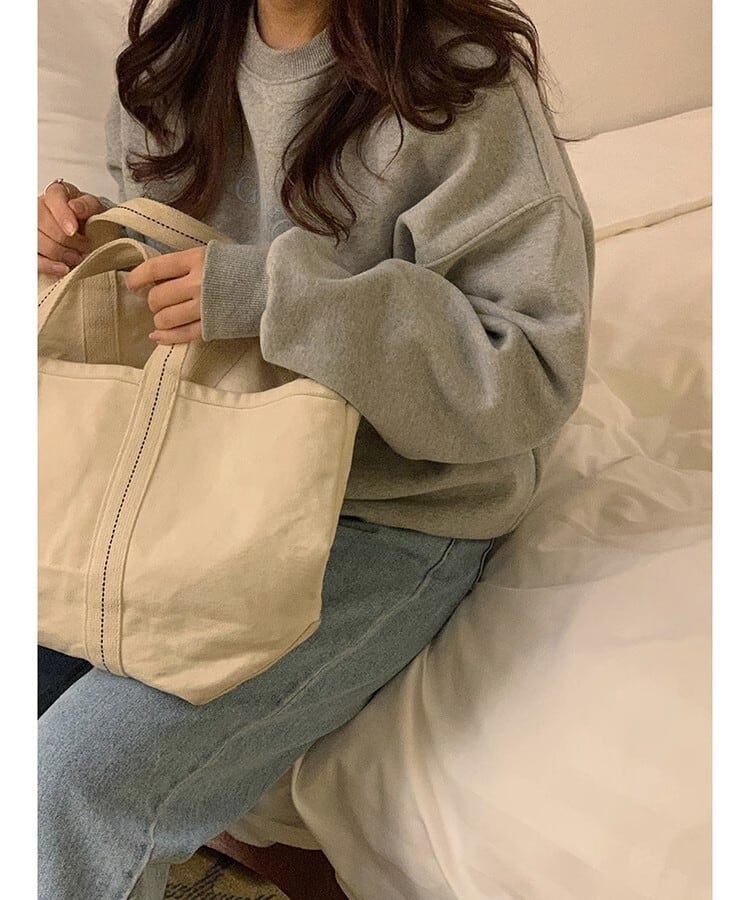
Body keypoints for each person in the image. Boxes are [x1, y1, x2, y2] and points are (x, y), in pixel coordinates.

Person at [37, 0, 595, 897]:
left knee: (67, 788)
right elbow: (183, 279)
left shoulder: (458, 79)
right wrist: (98, 238)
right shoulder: (178, 55)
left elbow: (526, 370)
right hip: (198, 465)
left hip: (393, 511)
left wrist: (277, 299)